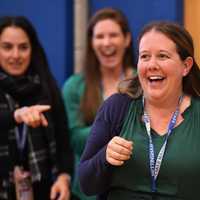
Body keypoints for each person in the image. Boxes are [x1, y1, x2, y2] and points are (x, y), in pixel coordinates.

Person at [78, 21, 200, 200]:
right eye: (144, 56)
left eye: (162, 56)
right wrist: (105, 156)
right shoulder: (117, 107)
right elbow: (86, 184)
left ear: (186, 66)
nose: (151, 65)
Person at [62, 8, 136, 200]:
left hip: (132, 185)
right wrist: (113, 127)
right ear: (91, 43)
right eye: (100, 36)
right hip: (86, 192)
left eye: (113, 35)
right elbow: (74, 138)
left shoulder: (144, 82)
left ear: (127, 39)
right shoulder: (74, 86)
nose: (106, 42)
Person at [0, 16, 74, 200]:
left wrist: (64, 178)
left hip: (43, 191)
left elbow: (64, 141)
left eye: (23, 47)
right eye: (7, 47)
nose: (15, 55)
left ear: (33, 50)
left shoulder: (47, 87)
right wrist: (16, 116)